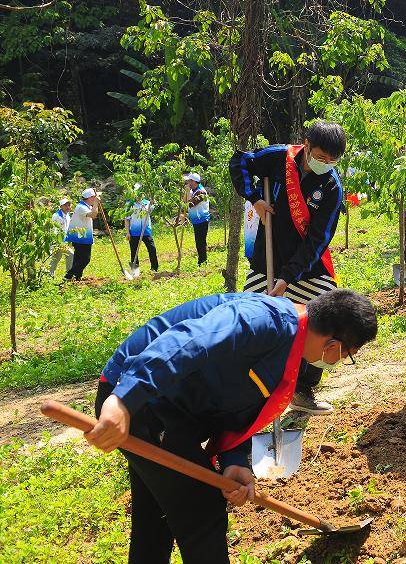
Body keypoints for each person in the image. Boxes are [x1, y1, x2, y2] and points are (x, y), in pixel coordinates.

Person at [86, 289, 378, 564]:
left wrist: (235, 460)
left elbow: (236, 404)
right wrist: (124, 398)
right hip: (139, 400)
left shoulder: (290, 346)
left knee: (158, 511)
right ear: (333, 346)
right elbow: (190, 340)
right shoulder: (263, 322)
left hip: (169, 408)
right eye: (346, 355)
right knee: (202, 506)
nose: (340, 361)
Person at [229, 121, 345, 415]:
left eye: (333, 160)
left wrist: (287, 277)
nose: (326, 164)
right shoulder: (279, 158)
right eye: (321, 156)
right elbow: (240, 161)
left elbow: (318, 241)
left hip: (307, 268)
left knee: (324, 323)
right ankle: (247, 394)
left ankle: (303, 389)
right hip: (267, 259)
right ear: (306, 144)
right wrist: (254, 198)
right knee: (250, 322)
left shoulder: (331, 187)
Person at [64, 188, 100, 280]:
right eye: (93, 197)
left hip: (82, 236)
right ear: (89, 198)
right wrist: (96, 204)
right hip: (80, 237)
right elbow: (93, 215)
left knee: (78, 258)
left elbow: (93, 212)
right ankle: (69, 275)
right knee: (85, 259)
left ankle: (77, 277)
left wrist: (95, 203)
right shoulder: (81, 207)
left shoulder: (87, 206)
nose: (95, 199)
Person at [126, 195, 159, 273]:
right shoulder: (129, 204)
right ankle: (135, 271)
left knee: (152, 249)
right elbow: (127, 219)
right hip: (134, 232)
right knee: (134, 252)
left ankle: (154, 268)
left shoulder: (147, 203)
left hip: (146, 231)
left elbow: (154, 210)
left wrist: (153, 202)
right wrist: (127, 232)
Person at [184, 172, 211, 266]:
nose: (188, 183)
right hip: (196, 220)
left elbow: (190, 204)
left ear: (194, 182)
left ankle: (203, 261)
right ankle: (202, 260)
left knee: (201, 242)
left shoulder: (201, 192)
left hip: (202, 220)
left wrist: (187, 193)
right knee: (198, 241)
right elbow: (184, 201)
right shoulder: (193, 190)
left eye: (190, 181)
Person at [49, 197, 74, 277]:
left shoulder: (67, 215)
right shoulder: (56, 216)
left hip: (64, 241)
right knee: (70, 254)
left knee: (56, 258)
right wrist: (58, 242)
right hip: (58, 241)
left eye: (69, 205)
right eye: (65, 205)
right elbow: (54, 230)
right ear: (61, 206)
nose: (68, 207)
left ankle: (50, 275)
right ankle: (68, 274)